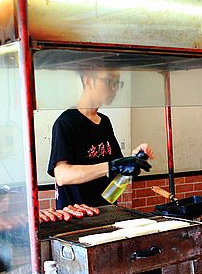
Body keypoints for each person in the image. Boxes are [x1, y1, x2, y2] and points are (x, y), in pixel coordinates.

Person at [48, 68, 154, 209]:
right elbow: (62, 175)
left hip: (105, 213)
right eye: (109, 81)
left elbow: (117, 173)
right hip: (77, 217)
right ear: (88, 80)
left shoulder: (104, 122)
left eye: (117, 83)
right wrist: (111, 166)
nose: (114, 88)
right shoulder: (66, 123)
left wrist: (134, 160)